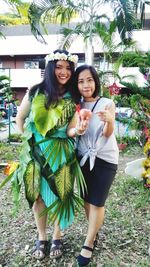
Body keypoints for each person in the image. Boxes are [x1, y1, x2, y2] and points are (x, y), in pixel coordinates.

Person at [15, 49, 86, 260]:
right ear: (50, 68)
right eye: (59, 67)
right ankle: (42, 236)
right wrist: (26, 142)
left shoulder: (73, 96)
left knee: (60, 196)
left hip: (61, 153)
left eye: (68, 68)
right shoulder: (35, 92)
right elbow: (19, 119)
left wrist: (78, 131)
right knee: (37, 197)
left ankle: (58, 235)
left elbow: (71, 129)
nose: (64, 72)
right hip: (36, 152)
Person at [67, 65, 119, 266]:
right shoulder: (75, 105)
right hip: (82, 158)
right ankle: (93, 232)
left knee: (98, 201)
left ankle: (88, 243)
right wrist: (78, 130)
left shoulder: (107, 103)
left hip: (105, 158)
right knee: (87, 199)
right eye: (81, 81)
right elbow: (71, 131)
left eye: (89, 80)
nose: (85, 85)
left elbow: (107, 134)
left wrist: (109, 120)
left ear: (95, 81)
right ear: (77, 84)